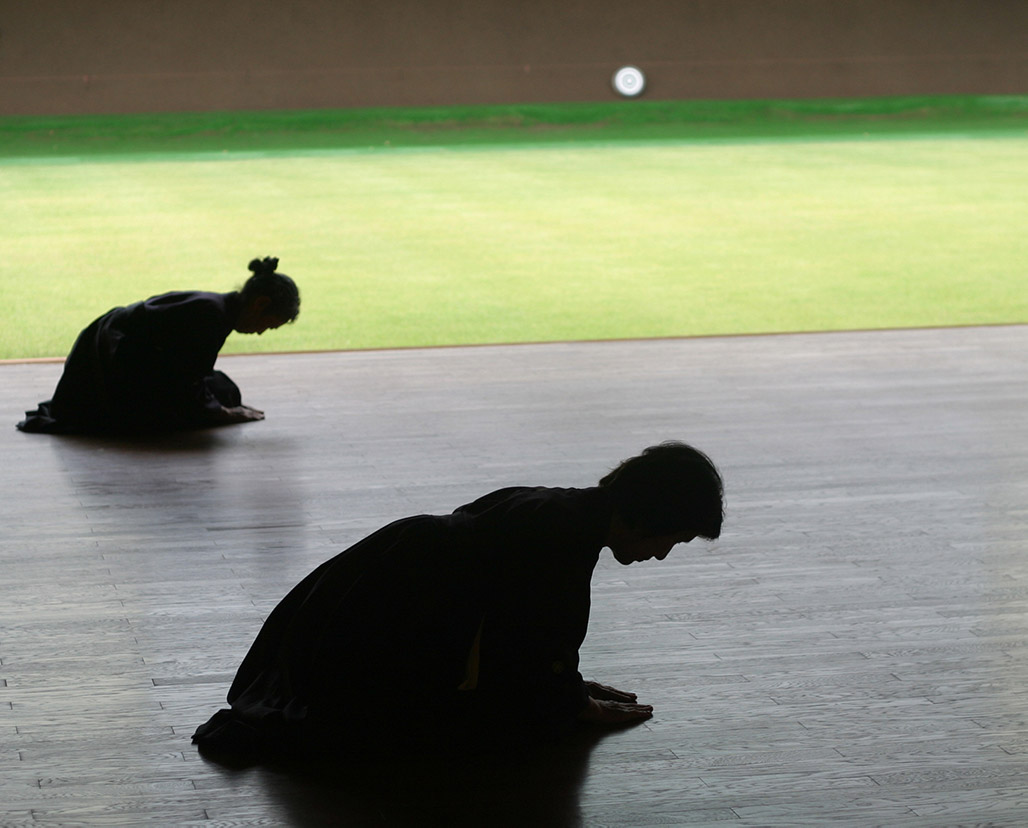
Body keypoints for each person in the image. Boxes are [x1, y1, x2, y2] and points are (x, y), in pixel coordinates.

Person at [193, 441, 725, 761]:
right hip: (382, 620)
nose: (661, 554)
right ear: (653, 516)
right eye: (672, 540)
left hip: (367, 593)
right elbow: (527, 646)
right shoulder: (563, 537)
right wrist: (573, 702)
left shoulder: (560, 511)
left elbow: (521, 642)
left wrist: (567, 684)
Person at [16, 257, 299, 434]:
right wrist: (222, 414)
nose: (261, 333)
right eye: (269, 324)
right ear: (259, 304)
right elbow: (187, 382)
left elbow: (186, 372)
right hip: (110, 359)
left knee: (226, 390)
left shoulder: (218, 309)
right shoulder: (211, 316)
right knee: (177, 416)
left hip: (121, 351)